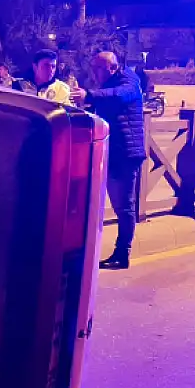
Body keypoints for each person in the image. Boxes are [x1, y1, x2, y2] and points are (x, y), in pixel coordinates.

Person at [72, 51, 146, 270]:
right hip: (104, 152)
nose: (94, 72)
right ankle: (86, 250)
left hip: (125, 155)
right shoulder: (106, 85)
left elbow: (120, 95)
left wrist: (90, 96)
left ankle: (122, 253)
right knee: (92, 203)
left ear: (112, 68)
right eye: (93, 67)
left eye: (99, 68)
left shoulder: (129, 81)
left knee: (124, 207)